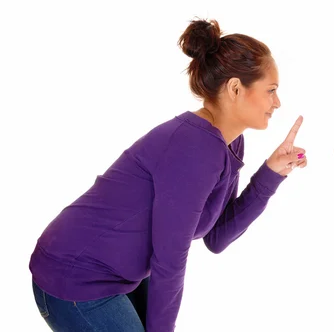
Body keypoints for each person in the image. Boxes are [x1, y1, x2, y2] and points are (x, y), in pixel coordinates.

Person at [29, 19, 307, 331]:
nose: (277, 102)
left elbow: (216, 237)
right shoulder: (194, 148)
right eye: (271, 90)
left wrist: (270, 174)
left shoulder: (228, 142)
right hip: (75, 274)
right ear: (234, 88)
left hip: (117, 272)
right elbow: (169, 259)